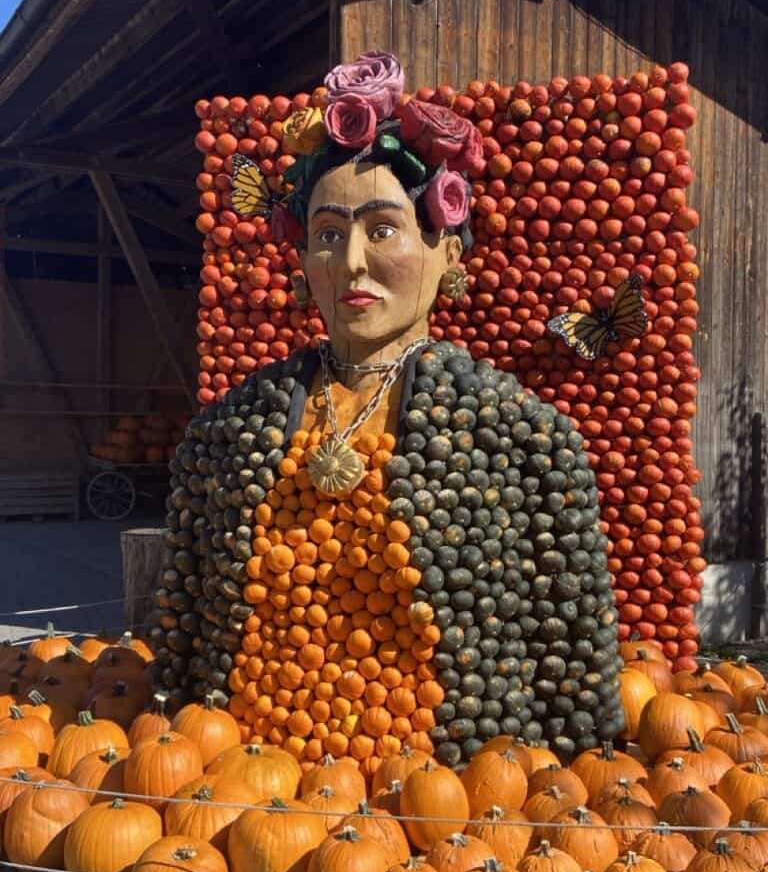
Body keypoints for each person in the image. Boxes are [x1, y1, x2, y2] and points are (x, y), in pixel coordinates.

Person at [158, 51, 624, 769]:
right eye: (326, 235)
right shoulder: (226, 434)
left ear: (445, 250)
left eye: (382, 229)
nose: (350, 263)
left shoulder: (527, 436)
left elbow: (572, 658)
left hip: (457, 795)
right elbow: (186, 631)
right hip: (247, 788)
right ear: (302, 258)